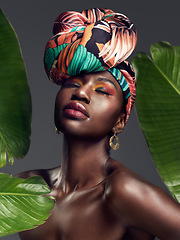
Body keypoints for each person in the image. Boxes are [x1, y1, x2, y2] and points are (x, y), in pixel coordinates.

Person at [18, 8, 180, 240]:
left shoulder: (123, 192)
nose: (82, 93)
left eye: (102, 90)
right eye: (73, 84)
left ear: (120, 121)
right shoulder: (26, 188)